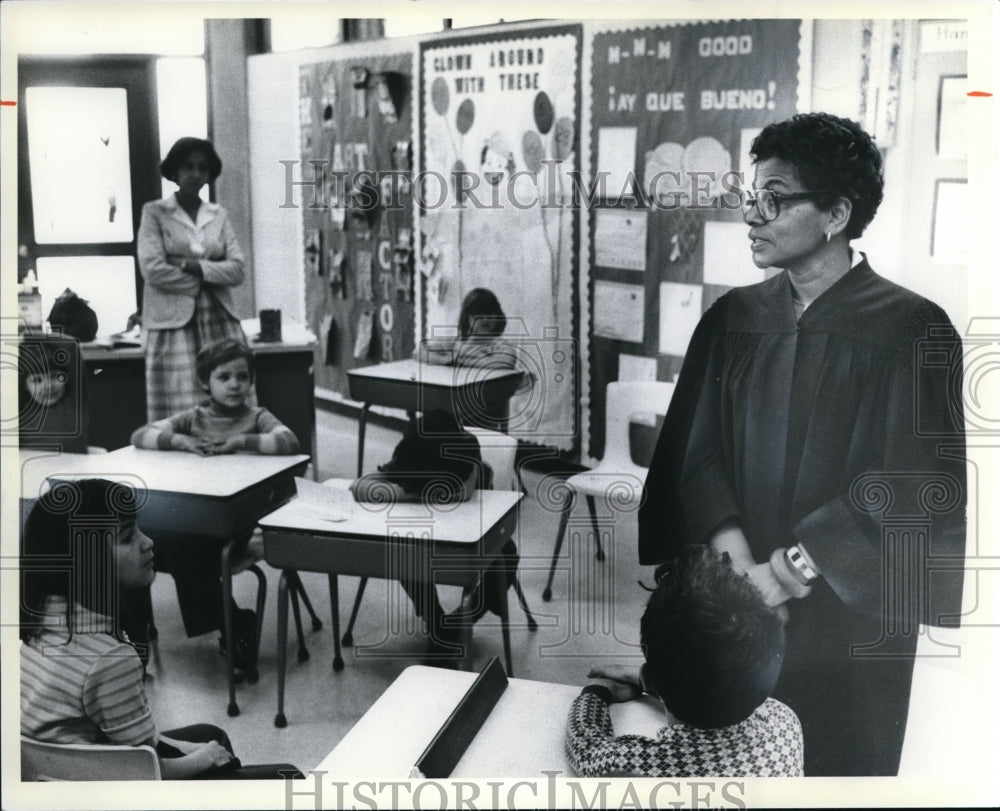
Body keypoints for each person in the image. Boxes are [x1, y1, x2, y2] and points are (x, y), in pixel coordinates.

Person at [638, 112, 966, 776]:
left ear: (837, 213)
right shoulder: (733, 320)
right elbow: (695, 454)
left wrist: (785, 574)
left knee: (838, 763)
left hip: (849, 619)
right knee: (732, 761)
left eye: (776, 199)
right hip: (737, 611)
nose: (754, 217)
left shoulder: (912, 330)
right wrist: (737, 580)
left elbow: (911, 483)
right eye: (751, 198)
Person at [20, 478, 303, 780]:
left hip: (59, 777)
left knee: (211, 737)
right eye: (128, 537)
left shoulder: (40, 620)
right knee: (289, 777)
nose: (148, 542)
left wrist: (197, 749)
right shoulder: (110, 658)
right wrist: (203, 756)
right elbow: (147, 772)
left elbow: (136, 742)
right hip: (107, 790)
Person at [130, 338, 300, 665]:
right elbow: (141, 435)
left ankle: (227, 624)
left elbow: (288, 441)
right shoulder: (194, 417)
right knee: (139, 538)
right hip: (196, 519)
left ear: (251, 381)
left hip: (236, 523)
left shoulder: (257, 416)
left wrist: (240, 441)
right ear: (205, 382)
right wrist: (179, 440)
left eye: (242, 377)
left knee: (172, 545)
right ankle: (227, 624)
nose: (234, 385)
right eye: (223, 377)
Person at [565, 545, 803, 777]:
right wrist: (653, 680)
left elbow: (587, 750)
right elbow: (721, 688)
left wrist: (595, 693)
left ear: (650, 680)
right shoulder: (785, 724)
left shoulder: (639, 764)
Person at [350, 410, 516, 661]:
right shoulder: (415, 448)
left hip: (474, 533)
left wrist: (409, 491)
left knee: (507, 553)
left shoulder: (466, 451)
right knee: (406, 552)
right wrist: (408, 492)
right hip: (431, 533)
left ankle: (462, 618)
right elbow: (358, 486)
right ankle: (438, 624)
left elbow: (465, 490)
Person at [137, 136, 250, 423]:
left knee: (228, 400)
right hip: (172, 325)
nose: (196, 174)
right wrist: (210, 274)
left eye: (202, 167)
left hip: (219, 320)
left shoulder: (218, 214)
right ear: (174, 171)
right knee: (179, 411)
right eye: (188, 167)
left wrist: (194, 267)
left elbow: (237, 269)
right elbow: (152, 269)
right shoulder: (155, 213)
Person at [18, 335, 89, 454]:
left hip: (75, 470)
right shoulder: (19, 411)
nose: (48, 386)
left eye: (56, 376)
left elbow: (71, 345)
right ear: (25, 386)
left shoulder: (74, 402)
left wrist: (26, 336)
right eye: (37, 380)